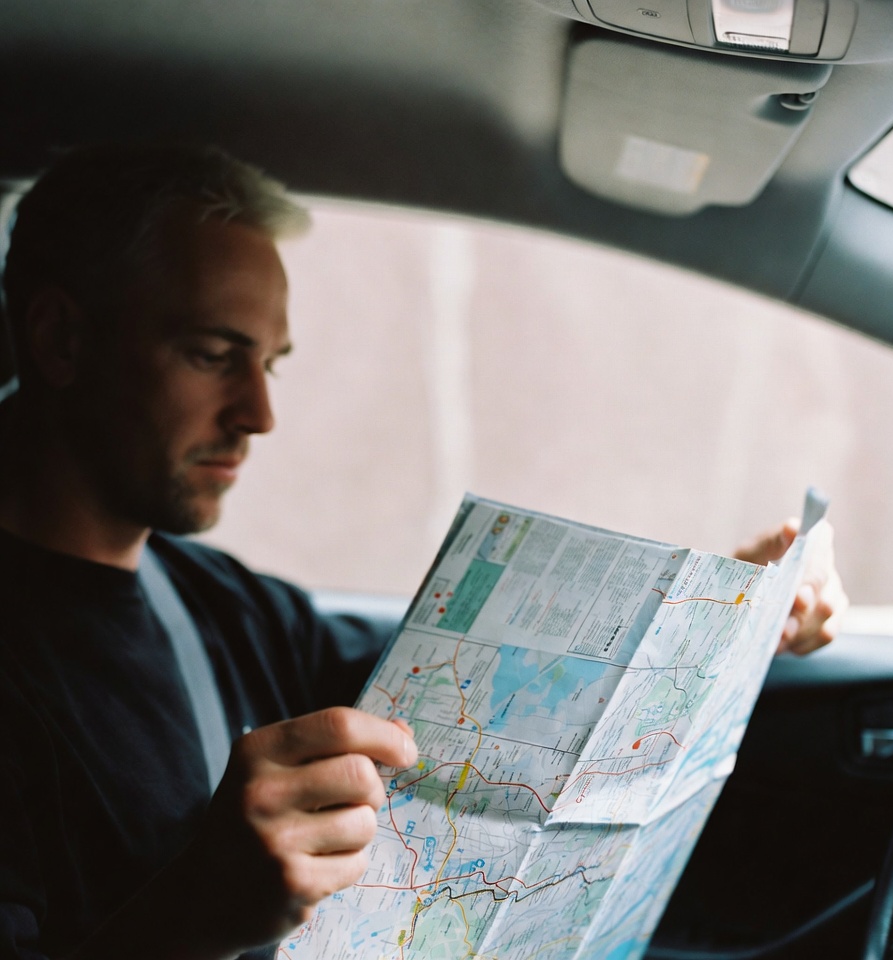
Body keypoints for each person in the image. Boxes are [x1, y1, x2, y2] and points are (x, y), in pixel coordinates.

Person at [0, 142, 847, 960]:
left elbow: (467, 695)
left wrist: (725, 612)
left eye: (270, 365)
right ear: (63, 340)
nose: (259, 413)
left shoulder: (224, 605)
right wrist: (190, 920)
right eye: (212, 355)